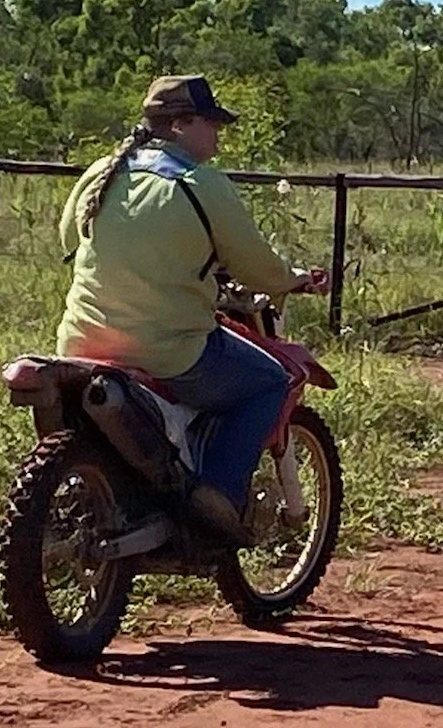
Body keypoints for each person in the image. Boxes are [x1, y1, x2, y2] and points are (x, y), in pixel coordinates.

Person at [56, 75, 328, 540]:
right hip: (167, 352)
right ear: (180, 124)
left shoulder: (102, 171)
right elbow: (258, 268)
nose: (218, 135)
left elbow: (68, 242)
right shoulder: (202, 184)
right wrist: (296, 280)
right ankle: (216, 499)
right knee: (268, 381)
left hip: (79, 345)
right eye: (212, 123)